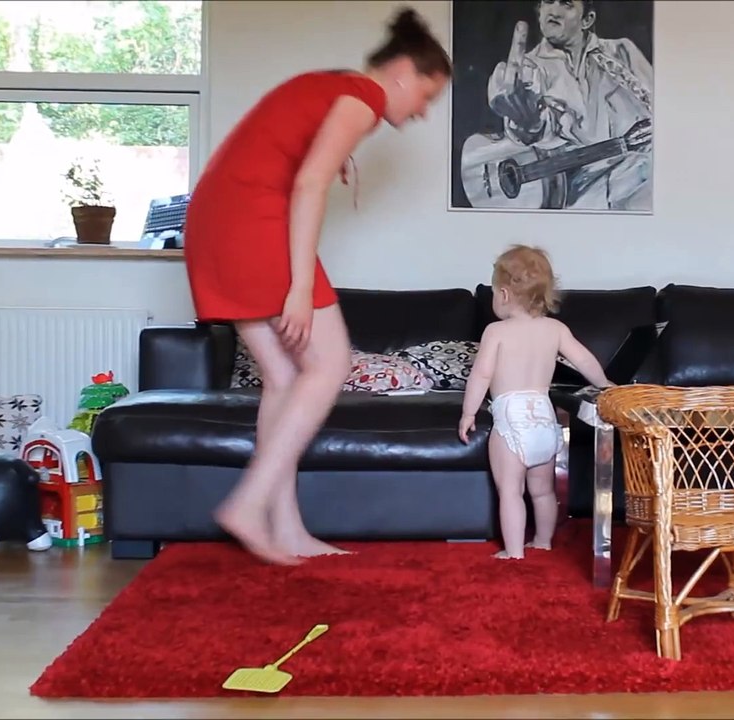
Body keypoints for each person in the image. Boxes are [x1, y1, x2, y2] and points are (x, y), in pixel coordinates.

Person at [183, 8, 451, 565]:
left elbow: (289, 146)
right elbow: (307, 184)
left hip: (216, 220)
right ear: (402, 72)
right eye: (426, 95)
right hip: (251, 223)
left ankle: (286, 529)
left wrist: (334, 153)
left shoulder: (334, 88)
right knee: (329, 364)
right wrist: (299, 287)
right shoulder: (364, 98)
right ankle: (249, 504)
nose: (424, 111)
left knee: (283, 376)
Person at [457, 245, 613, 559]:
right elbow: (583, 358)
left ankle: (514, 552)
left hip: (511, 418)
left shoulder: (495, 331)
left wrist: (468, 412)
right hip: (544, 417)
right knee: (543, 491)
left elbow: (481, 375)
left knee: (511, 492)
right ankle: (542, 541)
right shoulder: (555, 329)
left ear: (502, 293)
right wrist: (604, 383)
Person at [486, 0, 653, 210]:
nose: (553, 11)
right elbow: (537, 132)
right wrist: (529, 124)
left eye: (566, 3)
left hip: (642, 187)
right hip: (582, 205)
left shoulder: (622, 51)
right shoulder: (527, 74)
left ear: (587, 20)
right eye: (547, 2)